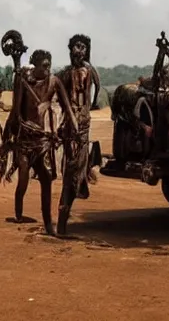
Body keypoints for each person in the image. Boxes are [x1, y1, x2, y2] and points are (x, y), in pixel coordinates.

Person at [0, 50, 77, 235]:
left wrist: (70, 126)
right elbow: (16, 110)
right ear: (36, 66)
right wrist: (9, 134)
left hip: (41, 141)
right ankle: (19, 213)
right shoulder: (24, 82)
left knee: (46, 178)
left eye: (49, 65)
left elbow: (67, 106)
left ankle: (48, 224)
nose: (47, 69)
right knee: (23, 176)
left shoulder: (54, 82)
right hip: (24, 138)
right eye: (44, 65)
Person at [55, 34, 99, 235]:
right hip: (71, 129)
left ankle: (64, 215)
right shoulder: (65, 75)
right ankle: (63, 219)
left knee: (76, 172)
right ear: (70, 49)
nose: (78, 50)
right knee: (71, 172)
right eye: (75, 46)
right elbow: (63, 101)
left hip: (83, 126)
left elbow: (94, 91)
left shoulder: (89, 71)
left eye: (82, 47)